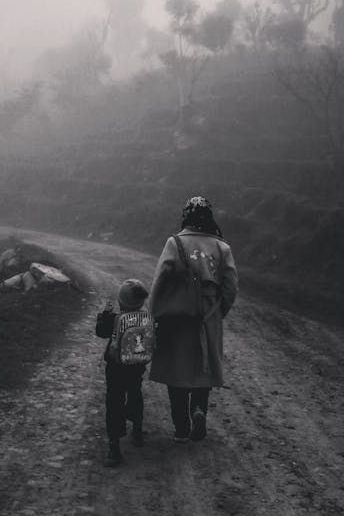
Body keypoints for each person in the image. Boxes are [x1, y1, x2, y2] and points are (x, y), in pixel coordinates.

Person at [148, 196, 238, 442]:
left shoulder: (175, 243)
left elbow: (160, 281)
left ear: (185, 216)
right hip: (209, 316)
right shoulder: (222, 247)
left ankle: (181, 428)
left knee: (176, 372)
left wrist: (153, 312)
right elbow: (230, 287)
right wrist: (218, 313)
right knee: (203, 366)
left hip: (177, 317)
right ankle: (199, 408)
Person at [95, 278, 150, 467]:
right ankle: (137, 431)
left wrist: (104, 315)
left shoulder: (114, 318)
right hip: (136, 365)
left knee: (114, 401)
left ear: (120, 301)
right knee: (135, 393)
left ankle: (114, 447)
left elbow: (100, 332)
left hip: (116, 367)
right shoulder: (145, 318)